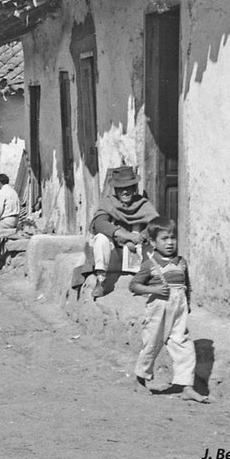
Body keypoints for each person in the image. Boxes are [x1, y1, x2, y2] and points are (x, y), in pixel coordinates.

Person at [129, 217, 209, 403]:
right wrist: (153, 289)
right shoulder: (150, 265)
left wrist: (187, 305)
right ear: (153, 242)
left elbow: (186, 285)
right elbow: (134, 285)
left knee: (184, 345)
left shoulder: (181, 263)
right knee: (151, 344)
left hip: (178, 310)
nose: (170, 243)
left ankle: (186, 386)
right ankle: (141, 379)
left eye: (173, 238)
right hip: (158, 310)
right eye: (164, 239)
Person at [87, 165, 159, 299]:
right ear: (116, 190)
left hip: (136, 254)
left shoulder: (143, 204)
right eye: (121, 188)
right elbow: (100, 223)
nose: (125, 192)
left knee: (155, 244)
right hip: (115, 256)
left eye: (129, 188)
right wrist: (125, 236)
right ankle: (102, 281)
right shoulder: (109, 202)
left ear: (134, 188)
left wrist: (141, 237)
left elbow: (155, 224)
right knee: (101, 238)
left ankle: (145, 282)